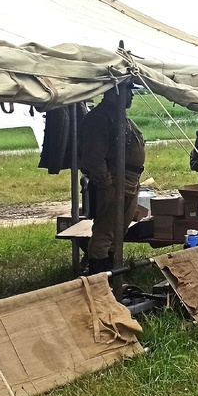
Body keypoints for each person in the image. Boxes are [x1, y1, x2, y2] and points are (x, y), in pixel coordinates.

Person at [79, 84, 145, 275]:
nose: (131, 96)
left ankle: (112, 276)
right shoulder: (100, 118)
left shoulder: (119, 116)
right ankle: (100, 278)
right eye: (128, 92)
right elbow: (93, 157)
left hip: (129, 179)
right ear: (115, 92)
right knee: (105, 234)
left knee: (118, 233)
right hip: (115, 181)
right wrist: (106, 184)